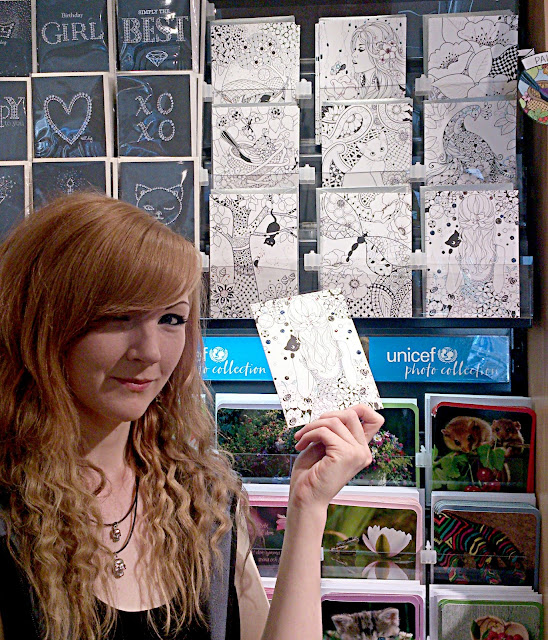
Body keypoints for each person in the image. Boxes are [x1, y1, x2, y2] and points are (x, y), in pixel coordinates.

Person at [0, 193, 383, 640]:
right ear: (41, 323)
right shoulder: (12, 509)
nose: (149, 352)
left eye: (171, 319)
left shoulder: (204, 503)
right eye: (118, 317)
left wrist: (309, 506)